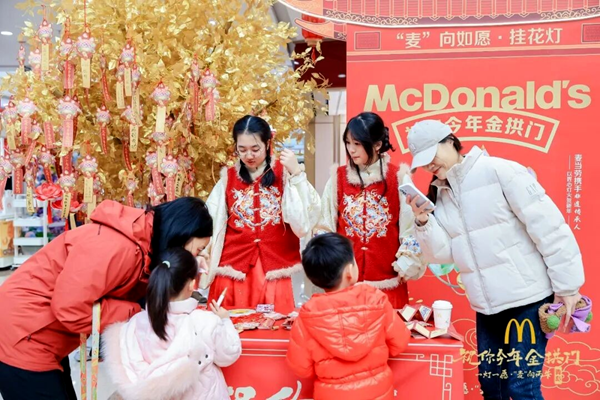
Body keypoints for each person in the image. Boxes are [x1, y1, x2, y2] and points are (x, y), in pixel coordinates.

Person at [406, 120, 585, 400]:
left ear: (450, 141)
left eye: (432, 155)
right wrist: (422, 221)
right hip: (487, 307)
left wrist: (568, 286)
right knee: (492, 386)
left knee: (522, 387)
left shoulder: (500, 171)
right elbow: (442, 254)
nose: (429, 165)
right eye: (423, 161)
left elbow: (549, 228)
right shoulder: (440, 194)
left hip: (527, 298)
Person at [0, 197, 213, 400]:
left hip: (41, 333)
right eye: (198, 250)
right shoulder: (119, 246)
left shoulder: (142, 246)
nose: (193, 257)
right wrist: (133, 312)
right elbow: (70, 308)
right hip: (24, 333)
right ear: (180, 234)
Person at [203, 115, 321, 313]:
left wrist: (297, 174)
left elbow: (307, 216)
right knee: (230, 324)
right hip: (233, 268)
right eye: (242, 150)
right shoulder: (228, 178)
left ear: (268, 144)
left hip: (275, 267)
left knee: (274, 324)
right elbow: (211, 220)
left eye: (255, 149)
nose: (249, 155)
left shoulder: (284, 174)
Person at [317, 112, 426, 308]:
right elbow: (325, 227)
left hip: (387, 286)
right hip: (345, 285)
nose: (351, 149)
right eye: (348, 143)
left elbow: (411, 230)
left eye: (357, 144)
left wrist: (405, 264)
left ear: (377, 145)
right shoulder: (338, 179)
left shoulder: (398, 178)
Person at [103, 247, 241, 400]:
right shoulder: (204, 321)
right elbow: (228, 354)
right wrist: (225, 320)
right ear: (191, 285)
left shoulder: (136, 323)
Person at [286, 233, 410, 400]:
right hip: (377, 394)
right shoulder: (375, 300)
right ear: (349, 271)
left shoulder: (307, 316)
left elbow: (301, 368)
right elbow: (399, 343)